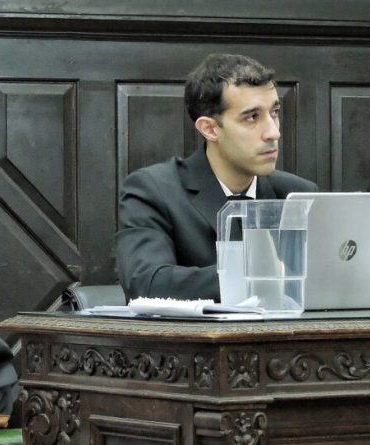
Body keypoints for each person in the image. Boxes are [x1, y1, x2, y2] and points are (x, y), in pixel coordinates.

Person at [116, 54, 318, 301]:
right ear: (210, 129)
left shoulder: (297, 194)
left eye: (274, 112)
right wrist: (257, 275)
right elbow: (146, 283)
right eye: (252, 117)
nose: (273, 132)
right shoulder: (153, 190)